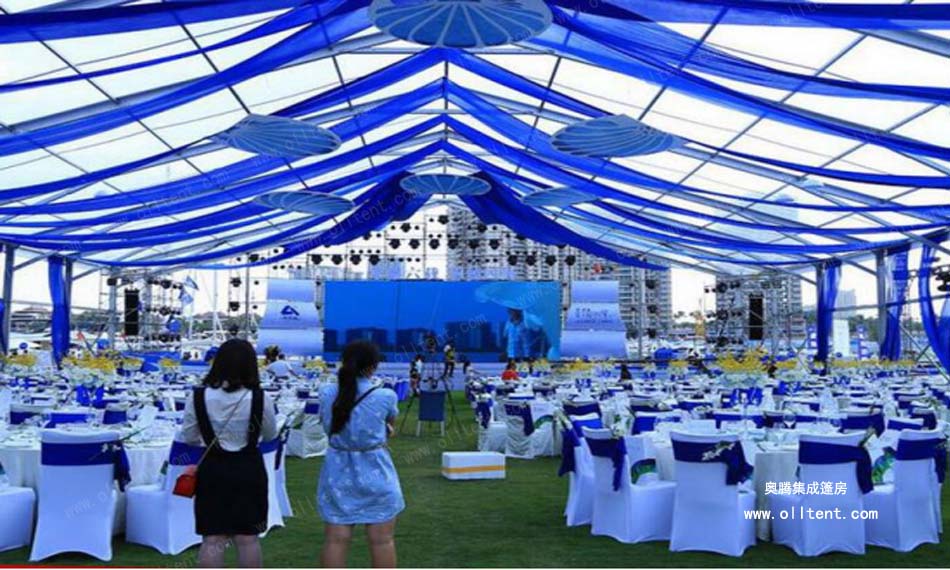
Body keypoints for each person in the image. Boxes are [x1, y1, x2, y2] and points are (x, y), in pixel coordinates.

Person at [180, 338, 278, 568]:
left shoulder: (198, 396)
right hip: (248, 469)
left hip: (213, 469)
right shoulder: (260, 397)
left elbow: (189, 437)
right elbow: (270, 434)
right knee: (248, 538)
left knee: (212, 538)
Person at [318, 341, 404, 568]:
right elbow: (389, 426)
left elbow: (327, 425)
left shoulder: (326, 393)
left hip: (337, 473)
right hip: (377, 472)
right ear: (373, 366)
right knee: (382, 541)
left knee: (335, 540)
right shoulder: (386, 395)